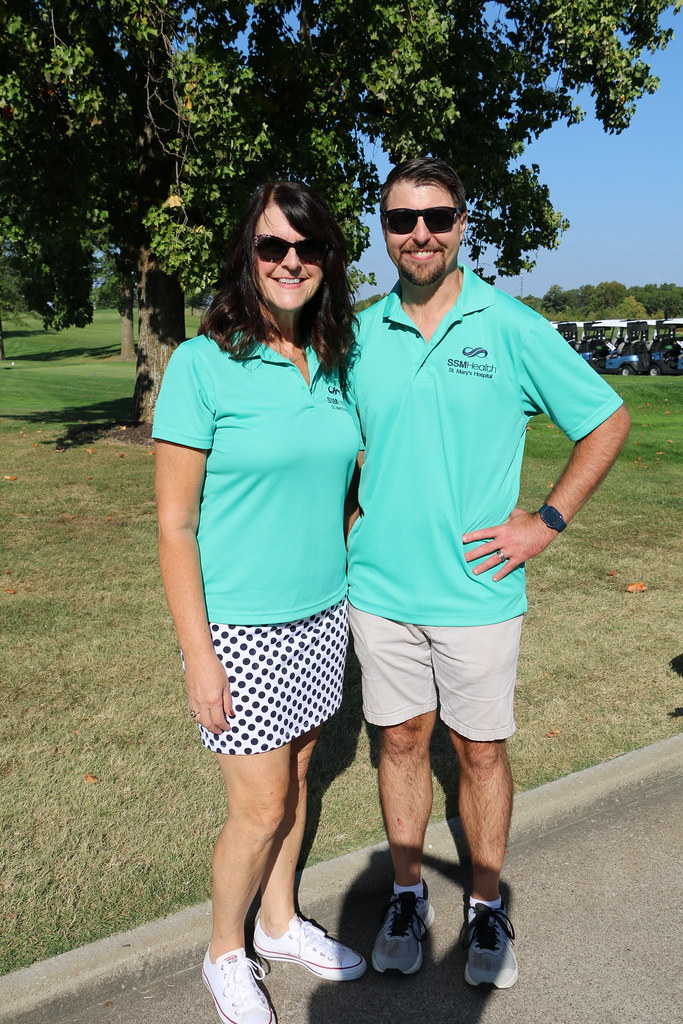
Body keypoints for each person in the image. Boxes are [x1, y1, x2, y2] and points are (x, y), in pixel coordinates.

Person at [345, 158, 631, 989]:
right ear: (385, 230)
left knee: (478, 753)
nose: (420, 234)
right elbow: (339, 441)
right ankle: (407, 895)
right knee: (399, 742)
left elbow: (605, 418)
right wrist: (351, 511)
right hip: (381, 593)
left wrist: (545, 521)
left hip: (477, 592)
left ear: (463, 224)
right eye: (402, 220)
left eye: (436, 218)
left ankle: (483, 904)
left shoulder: (508, 325)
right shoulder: (359, 332)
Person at [153, 181, 366, 1024]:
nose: (289, 262)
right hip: (237, 627)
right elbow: (174, 527)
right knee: (260, 805)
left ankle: (278, 924)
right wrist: (199, 656)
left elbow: (344, 487)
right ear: (248, 254)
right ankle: (223, 951)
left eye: (306, 248)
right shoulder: (202, 364)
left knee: (303, 772)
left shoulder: (334, 361)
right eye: (272, 246)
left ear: (326, 262)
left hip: (322, 613)